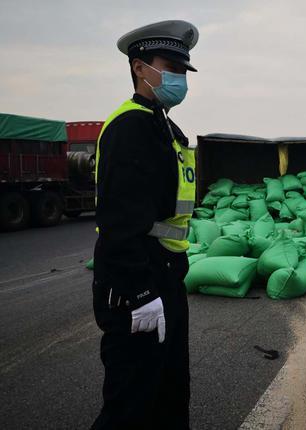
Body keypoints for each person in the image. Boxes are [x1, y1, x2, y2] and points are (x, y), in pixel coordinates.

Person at [91, 20, 198, 430]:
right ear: (139, 68)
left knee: (170, 391)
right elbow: (118, 221)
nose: (178, 77)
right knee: (131, 404)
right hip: (137, 284)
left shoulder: (165, 127)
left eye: (182, 70)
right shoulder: (130, 126)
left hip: (166, 276)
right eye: (169, 66)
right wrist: (140, 292)